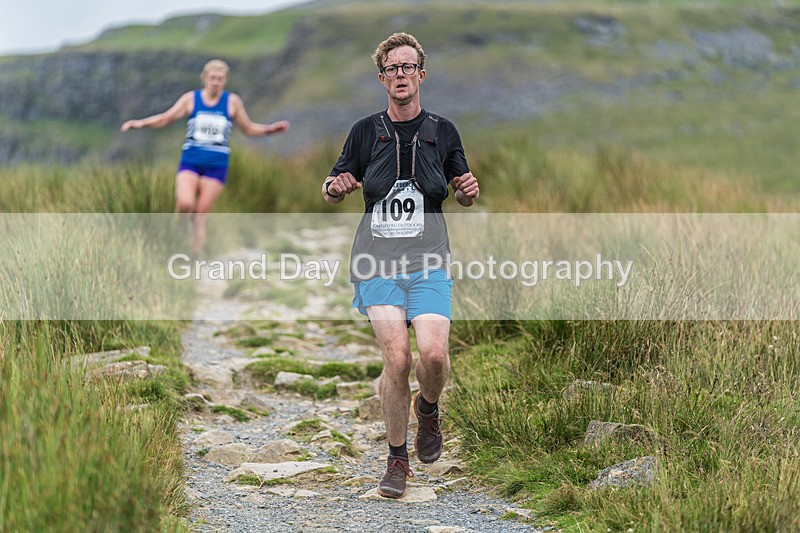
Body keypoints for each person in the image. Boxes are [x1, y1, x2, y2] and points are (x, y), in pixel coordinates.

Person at [322, 33, 480, 499]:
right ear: (382, 79)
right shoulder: (365, 131)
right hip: (376, 262)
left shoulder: (444, 131)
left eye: (408, 67)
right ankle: (396, 459)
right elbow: (331, 184)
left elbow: (464, 189)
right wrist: (336, 187)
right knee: (397, 356)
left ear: (421, 75)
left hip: (430, 261)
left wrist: (469, 192)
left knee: (433, 355)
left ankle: (427, 409)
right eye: (392, 69)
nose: (400, 76)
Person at [120, 59, 289, 254]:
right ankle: (176, 233)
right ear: (205, 79)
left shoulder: (232, 102)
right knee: (185, 203)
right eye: (212, 78)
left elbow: (248, 128)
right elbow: (166, 118)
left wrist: (269, 130)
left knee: (199, 215)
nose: (216, 82)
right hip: (191, 162)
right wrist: (139, 124)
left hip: (217, 166)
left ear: (225, 80)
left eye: (220, 78)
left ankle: (194, 258)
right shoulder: (191, 99)